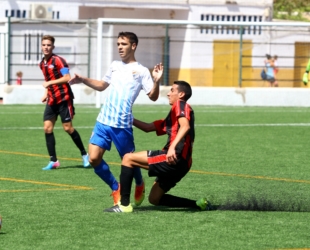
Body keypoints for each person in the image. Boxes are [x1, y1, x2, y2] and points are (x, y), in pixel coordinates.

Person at [68, 32, 163, 206]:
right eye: (118, 43)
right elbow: (102, 85)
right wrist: (82, 79)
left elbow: (153, 96)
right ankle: (115, 187)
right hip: (103, 121)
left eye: (124, 44)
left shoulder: (142, 71)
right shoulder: (114, 65)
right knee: (93, 158)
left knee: (130, 161)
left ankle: (140, 184)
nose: (119, 47)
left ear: (133, 46)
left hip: (122, 125)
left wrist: (156, 81)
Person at [104, 80, 211, 213]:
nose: (168, 94)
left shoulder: (180, 104)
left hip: (174, 157)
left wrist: (172, 148)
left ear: (181, 94)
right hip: (184, 164)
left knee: (128, 158)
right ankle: (198, 204)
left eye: (172, 90)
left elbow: (185, 126)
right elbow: (149, 128)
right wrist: (127, 118)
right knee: (154, 198)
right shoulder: (172, 116)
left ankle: (124, 205)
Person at [39, 35, 90, 170]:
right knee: (47, 128)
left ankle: (85, 155)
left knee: (68, 128)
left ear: (53, 47)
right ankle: (53, 160)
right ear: (41, 46)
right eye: (44, 45)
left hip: (63, 98)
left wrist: (50, 83)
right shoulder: (42, 63)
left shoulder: (59, 61)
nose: (46, 47)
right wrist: (46, 93)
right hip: (52, 99)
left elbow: (67, 77)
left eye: (49, 45)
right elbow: (47, 79)